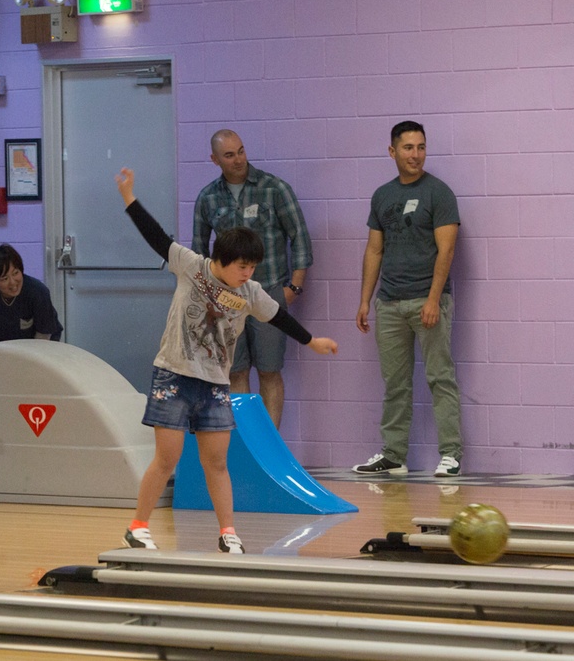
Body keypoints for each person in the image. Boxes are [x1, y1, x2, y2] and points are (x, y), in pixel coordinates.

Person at [115, 168, 338, 553]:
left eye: (252, 267)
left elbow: (278, 315)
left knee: (217, 463)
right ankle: (138, 526)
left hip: (215, 383)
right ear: (222, 259)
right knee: (166, 459)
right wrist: (130, 198)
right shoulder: (191, 266)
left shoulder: (250, 291)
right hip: (174, 375)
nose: (248, 274)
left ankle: (228, 532)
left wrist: (312, 340)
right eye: (242, 267)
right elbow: (156, 237)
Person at [353, 120, 464, 478]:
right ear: (392, 151)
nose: (415, 154)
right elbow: (374, 250)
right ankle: (394, 455)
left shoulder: (439, 193)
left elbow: (446, 251)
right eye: (408, 148)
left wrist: (433, 299)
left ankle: (450, 454)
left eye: (421, 147)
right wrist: (365, 300)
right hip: (390, 304)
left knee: (439, 377)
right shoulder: (382, 195)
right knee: (395, 383)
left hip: (428, 301)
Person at [193, 129, 313, 428]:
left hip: (270, 289)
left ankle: (270, 449)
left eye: (241, 151)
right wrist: (210, 296)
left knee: (270, 371)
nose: (238, 160)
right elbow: (198, 252)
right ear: (215, 159)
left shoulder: (274, 189)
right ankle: (246, 445)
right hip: (227, 299)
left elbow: (299, 236)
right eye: (229, 155)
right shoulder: (208, 197)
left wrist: (294, 287)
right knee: (235, 372)